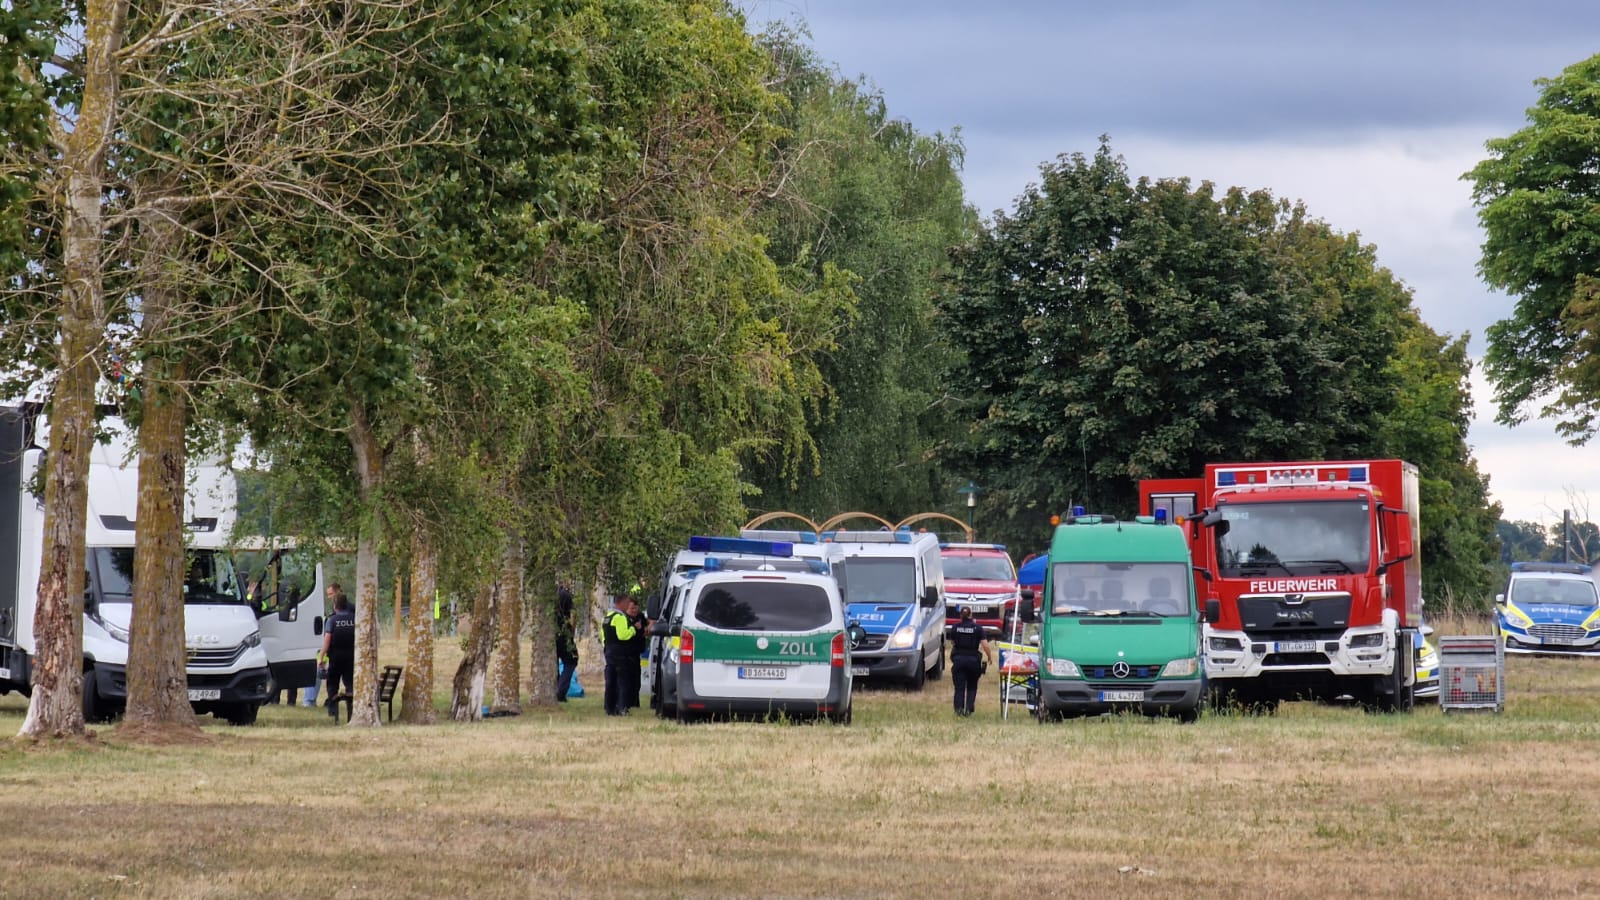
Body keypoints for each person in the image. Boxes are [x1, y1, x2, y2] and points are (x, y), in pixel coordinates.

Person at [602, 595, 647, 716]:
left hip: (609, 651)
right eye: (627, 603)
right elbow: (623, 635)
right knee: (622, 682)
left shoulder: (608, 617)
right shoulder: (620, 617)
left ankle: (609, 707)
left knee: (610, 681)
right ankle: (622, 707)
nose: (628, 606)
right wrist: (634, 629)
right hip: (620, 652)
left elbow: (603, 636)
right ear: (621, 603)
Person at [948, 605, 994, 717]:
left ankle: (958, 710)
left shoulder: (955, 627)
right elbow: (985, 645)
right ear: (971, 615)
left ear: (960, 616)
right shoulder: (977, 628)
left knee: (959, 687)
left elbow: (953, 643)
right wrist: (989, 657)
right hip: (973, 661)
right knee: (972, 686)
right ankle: (969, 710)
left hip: (958, 660)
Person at [321, 584, 356, 720]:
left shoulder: (333, 619)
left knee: (332, 683)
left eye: (330, 594)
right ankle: (351, 711)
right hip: (350, 656)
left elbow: (327, 639)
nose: (329, 597)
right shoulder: (353, 617)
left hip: (335, 656)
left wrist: (321, 657)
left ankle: (333, 711)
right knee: (350, 684)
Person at [554, 583, 578, 702]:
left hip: (551, 633)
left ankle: (556, 689)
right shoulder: (566, 595)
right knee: (571, 660)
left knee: (553, 663)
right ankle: (561, 691)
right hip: (564, 633)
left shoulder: (550, 594)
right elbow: (573, 615)